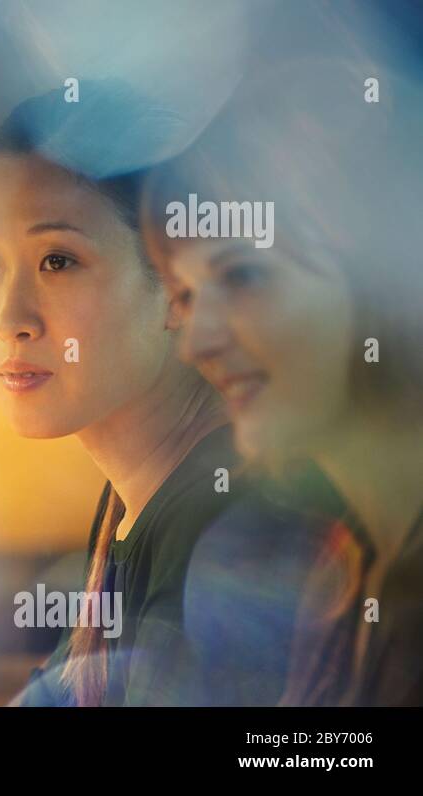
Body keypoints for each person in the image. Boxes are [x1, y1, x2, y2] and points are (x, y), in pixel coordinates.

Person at [0, 83, 324, 706]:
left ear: (175, 283)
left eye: (57, 260)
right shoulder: (136, 502)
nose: (7, 318)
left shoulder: (221, 525)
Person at [141, 58, 423, 705]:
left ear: (386, 283)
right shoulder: (352, 572)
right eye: (184, 294)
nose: (195, 342)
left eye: (243, 276)